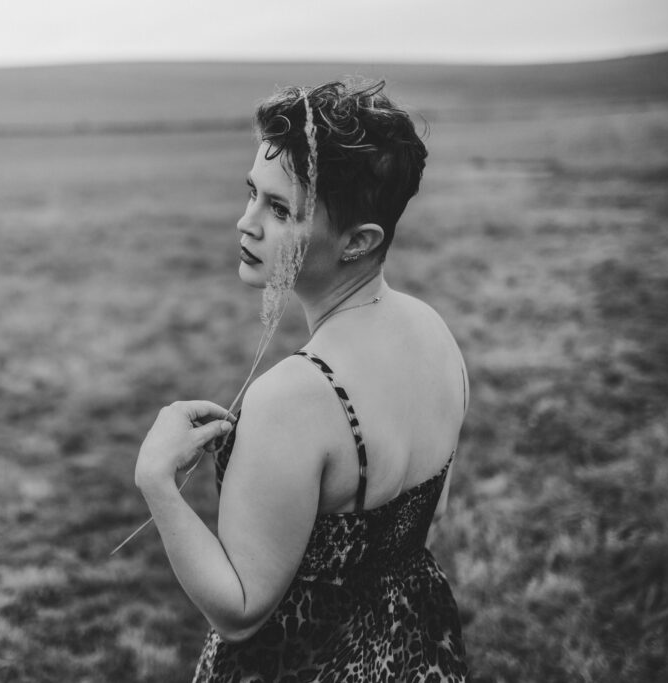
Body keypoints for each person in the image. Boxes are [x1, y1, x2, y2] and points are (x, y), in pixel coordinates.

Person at [133, 79, 469, 682]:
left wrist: (157, 481)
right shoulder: (435, 333)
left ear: (358, 241)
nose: (247, 223)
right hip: (416, 647)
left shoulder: (295, 398)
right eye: (253, 194)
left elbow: (241, 612)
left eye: (281, 210)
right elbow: (430, 515)